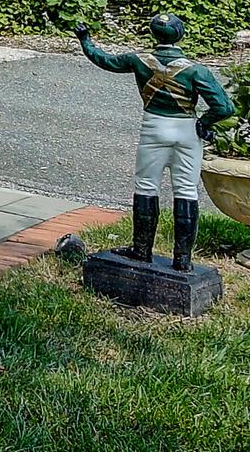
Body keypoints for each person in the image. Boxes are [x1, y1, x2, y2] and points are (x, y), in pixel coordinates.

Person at [76, 14, 237, 271]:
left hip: (153, 128)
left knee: (146, 186)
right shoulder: (196, 70)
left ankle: (141, 250)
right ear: (180, 35)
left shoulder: (138, 60)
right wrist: (204, 123)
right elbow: (225, 107)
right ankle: (182, 259)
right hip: (186, 131)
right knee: (186, 189)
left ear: (154, 34)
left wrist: (86, 40)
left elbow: (105, 60)